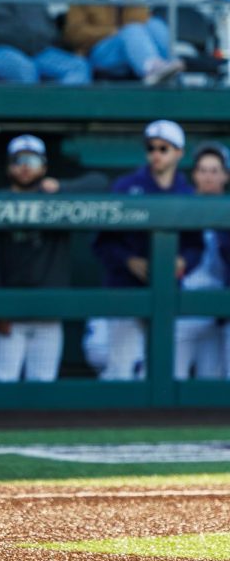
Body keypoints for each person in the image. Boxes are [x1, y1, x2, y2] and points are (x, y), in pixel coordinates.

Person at [0, 134, 108, 383]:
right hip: (9, 312)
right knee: (2, 384)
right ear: (9, 166)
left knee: (43, 385)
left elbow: (101, 183)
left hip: (48, 312)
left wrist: (61, 188)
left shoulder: (57, 200)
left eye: (32, 160)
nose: (25, 167)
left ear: (43, 167)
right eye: (18, 161)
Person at [92, 120, 203, 380]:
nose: (156, 154)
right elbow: (102, 243)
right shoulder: (125, 187)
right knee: (120, 370)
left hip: (168, 294)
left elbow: (195, 246)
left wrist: (183, 261)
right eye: (151, 148)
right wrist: (128, 261)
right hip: (125, 290)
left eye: (164, 148)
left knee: (164, 370)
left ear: (179, 153)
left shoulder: (187, 194)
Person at [174, 141, 230, 381]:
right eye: (203, 170)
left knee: (211, 383)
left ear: (226, 176)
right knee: (172, 377)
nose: (208, 177)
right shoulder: (179, 207)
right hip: (183, 307)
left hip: (220, 310)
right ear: (194, 174)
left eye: (215, 171)